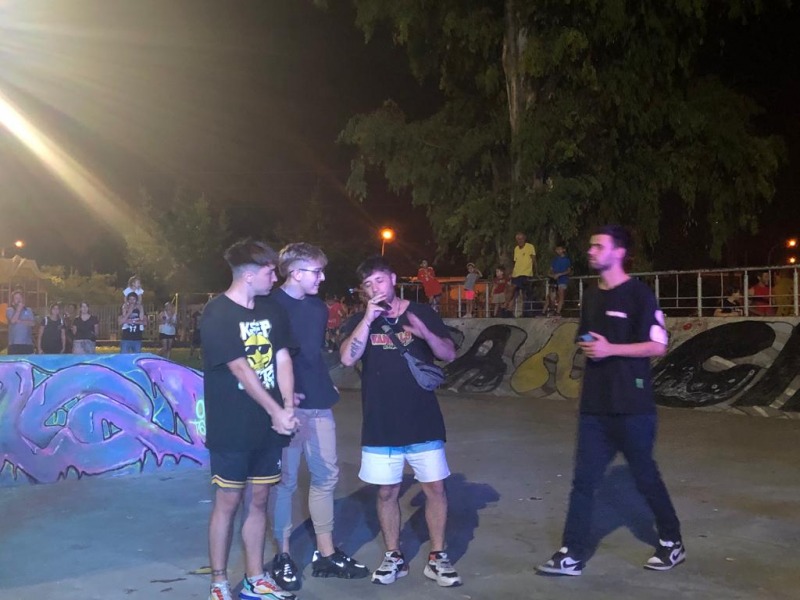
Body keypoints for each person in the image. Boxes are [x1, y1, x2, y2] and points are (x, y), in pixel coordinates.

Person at [536, 226, 683, 577]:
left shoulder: (639, 295)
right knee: (583, 482)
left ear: (618, 253)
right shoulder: (591, 296)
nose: (590, 251)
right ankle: (571, 553)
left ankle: (672, 541)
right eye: (590, 246)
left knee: (645, 477)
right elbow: (588, 339)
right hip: (594, 408)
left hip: (632, 407)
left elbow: (658, 345)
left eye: (598, 246)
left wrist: (611, 349)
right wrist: (590, 348)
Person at [339, 256, 462, 588]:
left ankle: (437, 556)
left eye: (379, 280)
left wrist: (425, 333)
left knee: (435, 488)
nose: (375, 288)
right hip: (380, 422)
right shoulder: (360, 320)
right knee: (386, 492)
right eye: (368, 285)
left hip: (422, 419)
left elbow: (448, 354)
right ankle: (393, 555)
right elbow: (347, 358)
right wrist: (368, 319)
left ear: (393, 279)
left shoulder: (421, 313)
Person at [200, 239, 299, 600]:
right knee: (228, 501)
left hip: (268, 426)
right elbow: (240, 368)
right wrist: (276, 412)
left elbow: (282, 358)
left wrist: (286, 407)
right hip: (232, 425)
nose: (275, 278)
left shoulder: (272, 310)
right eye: (270, 271)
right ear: (250, 275)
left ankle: (255, 578)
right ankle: (219, 581)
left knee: (259, 499)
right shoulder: (217, 313)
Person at [267, 243, 368, 591]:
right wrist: (279, 401)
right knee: (285, 481)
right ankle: (282, 555)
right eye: (317, 271)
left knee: (327, 475)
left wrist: (324, 382)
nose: (322, 278)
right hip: (285, 406)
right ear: (295, 273)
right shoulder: (269, 306)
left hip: (319, 401)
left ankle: (326, 553)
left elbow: (311, 354)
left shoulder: (317, 308)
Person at [506, 232, 536, 316]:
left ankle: (525, 311)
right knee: (513, 291)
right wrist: (512, 272)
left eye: (521, 238)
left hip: (525, 273)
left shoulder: (530, 247)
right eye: (518, 239)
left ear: (524, 238)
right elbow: (516, 262)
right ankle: (508, 308)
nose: (519, 240)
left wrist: (535, 271)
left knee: (523, 293)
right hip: (516, 273)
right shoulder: (516, 248)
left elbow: (533, 259)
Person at [543, 244, 571, 316]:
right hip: (554, 280)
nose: (558, 251)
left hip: (563, 280)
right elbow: (550, 271)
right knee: (550, 296)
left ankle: (558, 312)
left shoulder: (567, 260)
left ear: (563, 250)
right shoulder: (554, 260)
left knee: (561, 295)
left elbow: (568, 271)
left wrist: (560, 274)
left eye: (559, 249)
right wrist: (552, 275)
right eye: (557, 249)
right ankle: (544, 311)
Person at [6, 289, 36, 355]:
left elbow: (33, 323)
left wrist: (20, 321)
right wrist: (18, 310)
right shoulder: (10, 309)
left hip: (27, 344)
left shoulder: (28, 310)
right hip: (14, 344)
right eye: (16, 298)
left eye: (20, 298)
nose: (19, 300)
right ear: (13, 301)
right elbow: (13, 321)